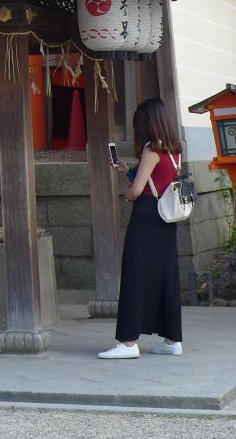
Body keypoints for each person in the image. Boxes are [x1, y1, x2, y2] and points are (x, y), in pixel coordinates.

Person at [99, 98, 184, 359]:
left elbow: (137, 190)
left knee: (135, 276)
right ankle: (172, 341)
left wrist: (127, 193)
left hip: (146, 217)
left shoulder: (151, 148)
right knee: (166, 278)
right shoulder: (174, 149)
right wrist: (127, 171)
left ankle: (128, 343)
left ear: (146, 123)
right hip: (166, 220)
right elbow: (156, 180)